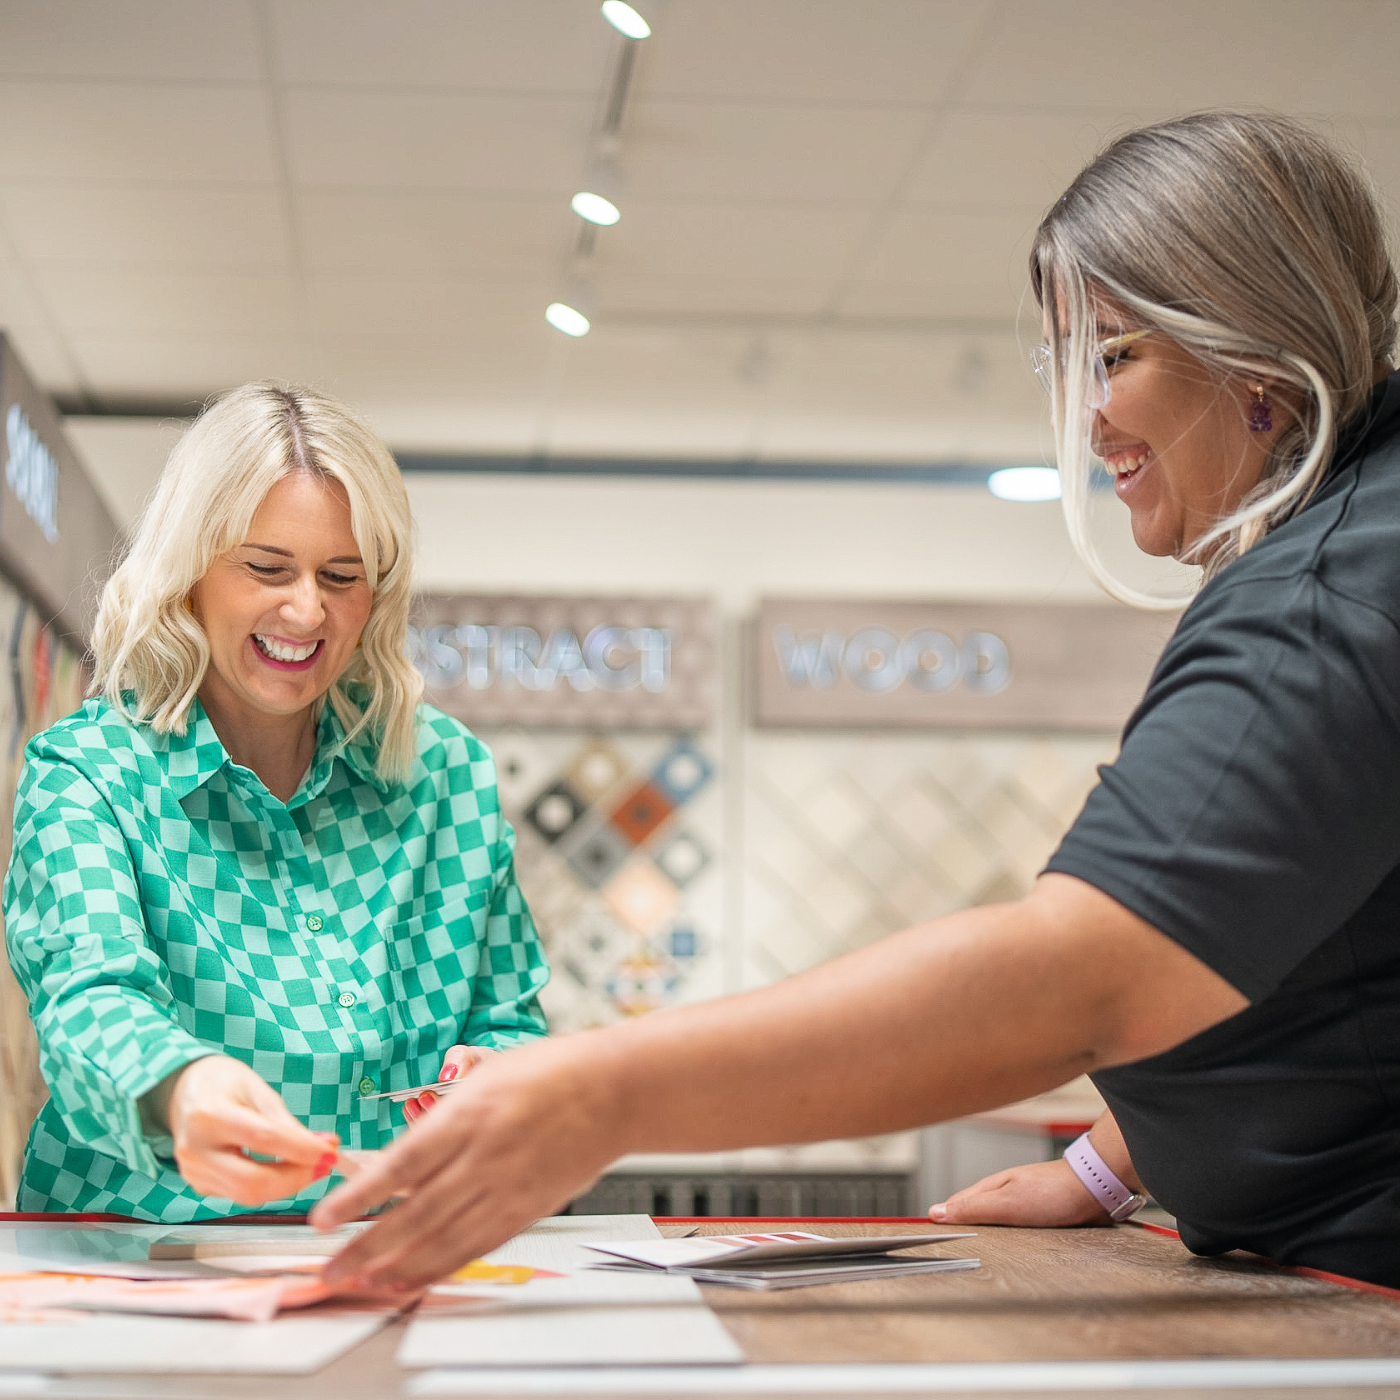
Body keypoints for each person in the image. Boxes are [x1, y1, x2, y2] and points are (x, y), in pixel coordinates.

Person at [313, 110, 1400, 1291]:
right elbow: (1284, 934)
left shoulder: (1324, 598)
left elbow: (1085, 971)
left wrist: (603, 1089)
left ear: (1249, 352)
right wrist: (1112, 1160)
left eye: (1115, 356)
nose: (1088, 420)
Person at [5, 384, 549, 1219]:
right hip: (138, 1265)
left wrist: (497, 1072)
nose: (307, 609)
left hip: (383, 1248)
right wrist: (182, 1089)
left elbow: (510, 1020)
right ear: (189, 574)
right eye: (266, 569)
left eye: (342, 577)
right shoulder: (88, 773)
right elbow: (90, 1001)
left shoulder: (445, 777)